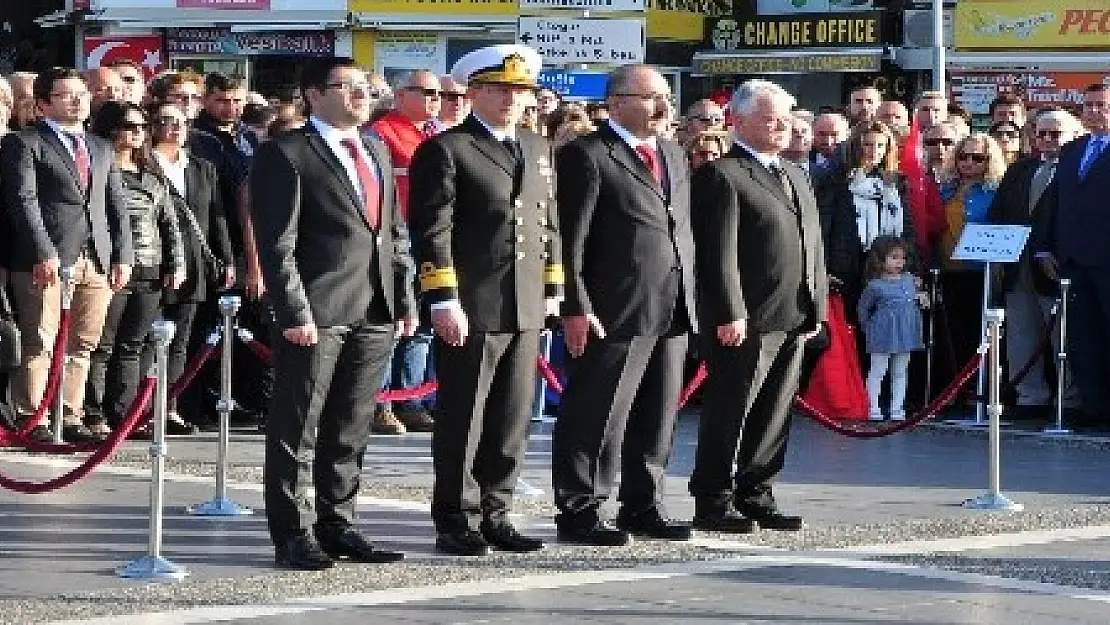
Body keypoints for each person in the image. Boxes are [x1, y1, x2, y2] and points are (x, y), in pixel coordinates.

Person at [250, 56, 415, 570]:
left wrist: (404, 298)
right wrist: (294, 309)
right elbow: (277, 244)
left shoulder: (375, 148)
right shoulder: (288, 153)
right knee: (298, 425)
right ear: (314, 95)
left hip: (374, 306)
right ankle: (294, 533)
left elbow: (394, 233)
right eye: (347, 87)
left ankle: (338, 523)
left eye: (365, 87)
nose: (361, 96)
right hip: (317, 309)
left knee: (351, 425)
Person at [409, 44, 562, 556]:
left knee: (511, 416)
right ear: (473, 92)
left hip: (524, 301)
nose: (511, 100)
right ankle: (456, 516)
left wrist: (553, 289)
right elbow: (433, 230)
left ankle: (498, 510)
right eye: (499, 90)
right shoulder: (448, 149)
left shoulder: (536, 147)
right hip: (473, 300)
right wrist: (443, 298)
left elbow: (548, 223)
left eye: (519, 91)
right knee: (465, 416)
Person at [552, 63, 697, 547]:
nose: (662, 107)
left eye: (665, 98)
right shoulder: (588, 155)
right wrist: (575, 304)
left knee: (657, 413)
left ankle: (643, 503)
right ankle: (580, 509)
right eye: (649, 97)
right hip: (613, 306)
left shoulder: (673, 154)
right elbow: (570, 239)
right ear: (615, 103)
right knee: (598, 413)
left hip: (672, 304)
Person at [688, 79, 826, 533]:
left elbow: (811, 246)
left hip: (792, 313)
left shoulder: (794, 174)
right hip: (746, 317)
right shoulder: (723, 174)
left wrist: (816, 306)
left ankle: (757, 491)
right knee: (732, 407)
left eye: (786, 119)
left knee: (774, 411)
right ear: (741, 122)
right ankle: (713, 498)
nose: (781, 127)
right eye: (771, 120)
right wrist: (729, 310)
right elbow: (717, 251)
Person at [0, 67, 133, 443]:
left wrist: (122, 254)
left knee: (84, 342)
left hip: (97, 256)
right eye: (66, 95)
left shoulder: (101, 146)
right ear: (43, 104)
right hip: (47, 257)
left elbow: (115, 205)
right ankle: (33, 415)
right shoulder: (25, 143)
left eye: (81, 94)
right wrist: (43, 250)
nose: (77, 101)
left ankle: (70, 413)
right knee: (40, 338)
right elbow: (23, 202)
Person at [85, 101, 186, 436]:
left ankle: (124, 414)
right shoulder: (96, 168)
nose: (138, 134)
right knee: (103, 344)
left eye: (142, 127)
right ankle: (94, 412)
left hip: (151, 268)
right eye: (130, 126)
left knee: (133, 345)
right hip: (111, 266)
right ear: (111, 128)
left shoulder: (151, 175)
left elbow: (169, 223)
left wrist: (176, 263)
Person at [989, 108, 1083, 419]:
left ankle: (1068, 400)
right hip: (1017, 267)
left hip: (1056, 268)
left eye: (1054, 134)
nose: (1045, 140)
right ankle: (1030, 397)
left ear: (1073, 136)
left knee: (1062, 336)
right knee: (1021, 334)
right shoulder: (1020, 170)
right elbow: (1000, 211)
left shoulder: (1078, 170)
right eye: (1040, 133)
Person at [150, 100, 235, 430]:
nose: (174, 128)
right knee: (148, 339)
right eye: (166, 121)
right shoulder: (143, 164)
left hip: (195, 263)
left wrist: (225, 257)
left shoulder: (201, 167)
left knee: (182, 341)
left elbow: (217, 218)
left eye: (181, 122)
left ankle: (171, 406)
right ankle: (139, 410)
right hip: (155, 263)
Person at [368, 69, 443, 435]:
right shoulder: (382, 133)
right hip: (401, 238)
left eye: (438, 93)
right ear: (400, 95)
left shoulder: (435, 133)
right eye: (426, 92)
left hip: (432, 237)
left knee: (424, 326)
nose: (435, 99)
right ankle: (380, 402)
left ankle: (410, 398)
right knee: (396, 320)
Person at [1034, 83, 1110, 428]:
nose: (1095, 111)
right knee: (1082, 337)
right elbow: (1055, 202)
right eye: (1090, 105)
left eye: (1102, 105)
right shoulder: (1073, 150)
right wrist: (1045, 246)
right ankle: (1093, 408)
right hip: (1074, 261)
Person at [822, 120, 917, 319]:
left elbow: (906, 227)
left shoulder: (895, 182)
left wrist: (911, 266)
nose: (874, 151)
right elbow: (825, 226)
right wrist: (825, 267)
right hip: (848, 266)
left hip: (888, 265)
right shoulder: (837, 180)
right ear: (857, 146)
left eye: (880, 145)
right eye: (868, 144)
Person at [937, 133, 1005, 391]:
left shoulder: (996, 191)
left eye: (977, 158)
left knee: (977, 333)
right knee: (950, 332)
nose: (968, 163)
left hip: (981, 271)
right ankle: (950, 390)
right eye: (963, 156)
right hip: (946, 268)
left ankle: (979, 390)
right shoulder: (944, 189)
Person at [858, 236, 925, 422]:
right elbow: (863, 308)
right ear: (880, 259)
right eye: (894, 257)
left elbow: (915, 298)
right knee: (878, 370)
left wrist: (921, 297)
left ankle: (897, 409)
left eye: (902, 258)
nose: (899, 262)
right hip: (882, 332)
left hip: (905, 333)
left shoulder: (909, 280)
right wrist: (867, 328)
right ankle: (872, 407)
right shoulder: (874, 285)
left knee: (900, 370)